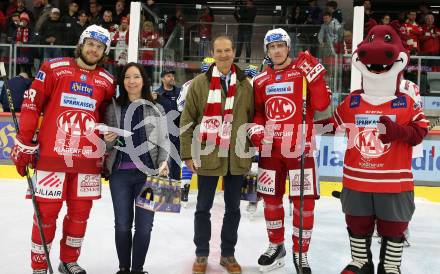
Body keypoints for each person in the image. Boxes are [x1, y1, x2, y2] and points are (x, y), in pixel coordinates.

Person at [10, 25, 115, 274]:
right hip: (52, 158)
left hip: (87, 161)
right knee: (46, 215)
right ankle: (38, 266)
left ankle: (68, 261)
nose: (93, 49)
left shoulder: (107, 81)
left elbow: (109, 119)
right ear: (81, 44)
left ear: (104, 52)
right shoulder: (54, 68)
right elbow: (31, 106)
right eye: (90, 43)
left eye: (99, 47)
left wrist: (108, 151)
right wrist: (24, 145)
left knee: (80, 215)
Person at [248, 28, 330, 273]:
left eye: (280, 46)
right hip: (271, 151)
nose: (276, 51)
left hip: (300, 149)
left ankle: (300, 252)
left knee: (303, 205)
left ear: (288, 47)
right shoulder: (261, 80)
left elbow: (322, 104)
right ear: (267, 50)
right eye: (272, 47)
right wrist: (256, 131)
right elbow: (260, 113)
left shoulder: (302, 73)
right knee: (271, 201)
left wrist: (315, 77)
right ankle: (276, 245)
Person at [180, 35, 254, 274]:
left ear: (234, 53)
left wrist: (252, 147)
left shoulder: (245, 84)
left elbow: (253, 119)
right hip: (208, 154)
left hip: (235, 157)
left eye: (228, 50)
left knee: (233, 209)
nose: (223, 55)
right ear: (213, 53)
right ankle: (201, 254)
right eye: (219, 51)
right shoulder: (199, 84)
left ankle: (228, 254)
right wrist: (187, 155)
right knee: (203, 207)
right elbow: (187, 122)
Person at [103, 62, 169, 274]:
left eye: (136, 77)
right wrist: (108, 139)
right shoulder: (113, 106)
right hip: (120, 176)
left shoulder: (155, 108)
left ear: (144, 80)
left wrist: (163, 161)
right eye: (127, 77)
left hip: (147, 176)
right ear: (122, 81)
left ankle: (137, 269)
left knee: (144, 227)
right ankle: (124, 268)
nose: (132, 81)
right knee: (122, 225)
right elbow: (106, 145)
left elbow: (163, 140)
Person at [176, 56, 215, 203]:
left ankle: (185, 188)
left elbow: (179, 106)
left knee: (191, 156)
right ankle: (201, 192)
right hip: (209, 128)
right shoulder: (220, 85)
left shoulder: (188, 84)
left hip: (194, 126)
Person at [154, 69, 181, 181]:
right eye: (168, 76)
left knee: (176, 162)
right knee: (161, 161)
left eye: (172, 76)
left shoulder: (180, 93)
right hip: (162, 134)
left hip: (177, 132)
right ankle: (159, 187)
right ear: (162, 79)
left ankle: (175, 187)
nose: (171, 78)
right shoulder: (157, 94)